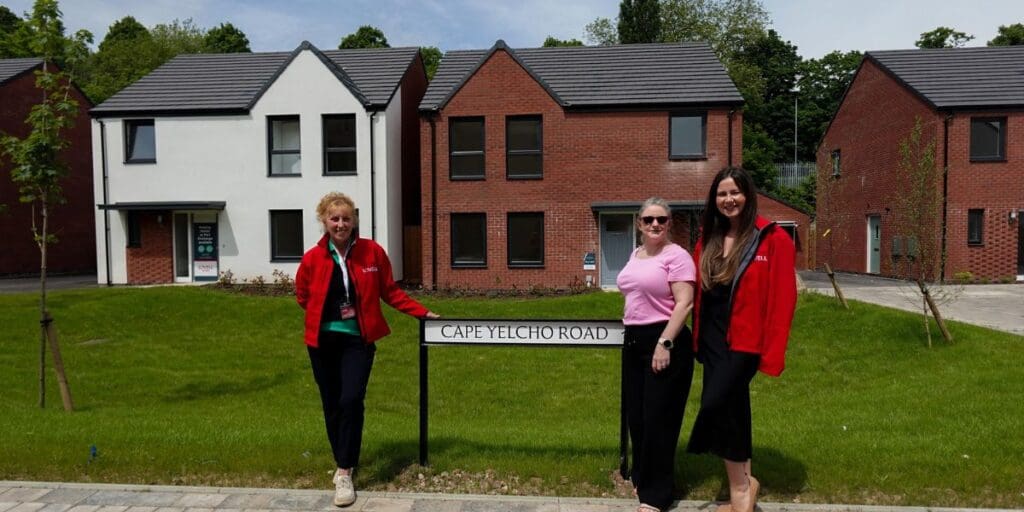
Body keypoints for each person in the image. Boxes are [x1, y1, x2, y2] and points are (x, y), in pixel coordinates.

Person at [296, 192, 439, 507]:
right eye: (335, 218)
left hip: (358, 341)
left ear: (354, 220)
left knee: (351, 399)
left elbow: (390, 291)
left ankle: (345, 472)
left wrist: (421, 312)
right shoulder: (312, 258)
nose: (341, 224)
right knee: (332, 404)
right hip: (322, 342)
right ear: (324, 221)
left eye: (346, 218)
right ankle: (343, 460)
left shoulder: (372, 253)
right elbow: (302, 294)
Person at [686, 167, 797, 512]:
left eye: (735, 193)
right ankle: (744, 487)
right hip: (712, 342)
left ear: (748, 196)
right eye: (722, 194)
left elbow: (783, 299)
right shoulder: (708, 240)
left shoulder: (772, 238)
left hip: (746, 344)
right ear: (714, 200)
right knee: (734, 412)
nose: (728, 200)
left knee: (715, 406)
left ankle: (741, 492)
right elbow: (692, 288)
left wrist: (773, 351)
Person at [616, 197, 697, 512]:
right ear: (639, 223)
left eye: (661, 220)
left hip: (664, 340)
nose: (654, 225)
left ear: (669, 223)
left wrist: (664, 343)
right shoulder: (635, 255)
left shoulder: (676, 256)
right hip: (634, 340)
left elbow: (685, 303)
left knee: (658, 419)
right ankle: (642, 476)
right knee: (637, 416)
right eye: (648, 219)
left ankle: (657, 495)